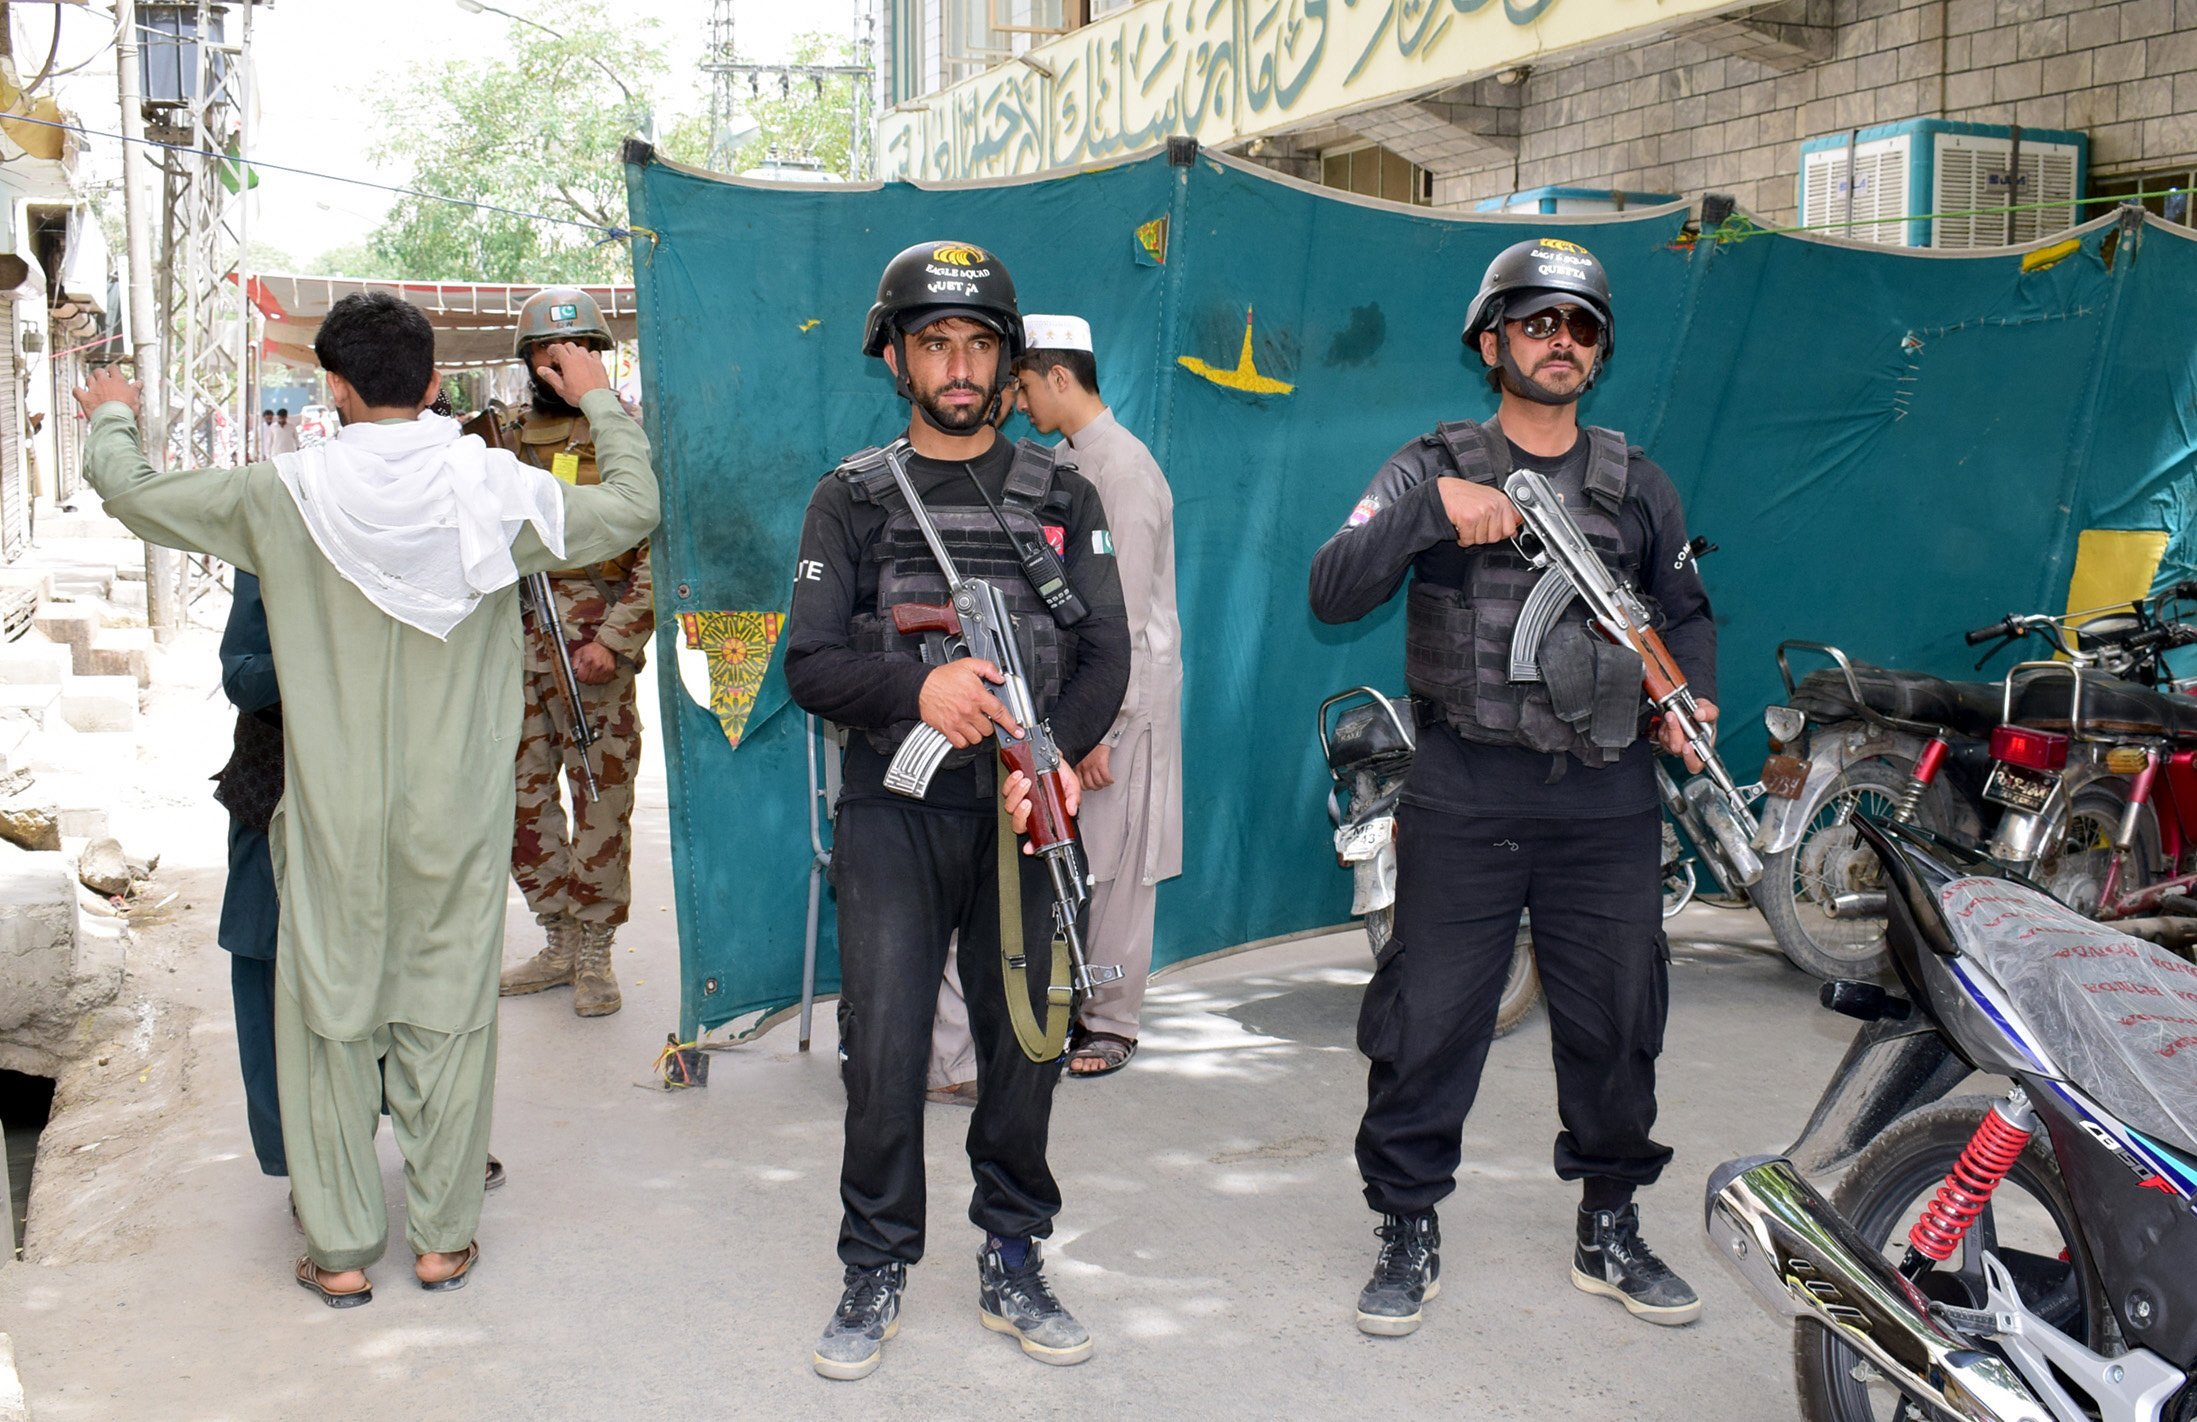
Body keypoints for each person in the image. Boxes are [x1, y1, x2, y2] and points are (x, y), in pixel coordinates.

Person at [75, 290, 658, 1308]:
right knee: (449, 1012)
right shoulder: (498, 493)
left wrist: (113, 409)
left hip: (333, 819)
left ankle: (341, 1251)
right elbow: (634, 509)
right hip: (457, 815)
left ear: (332, 387)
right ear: (433, 384)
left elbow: (133, 493)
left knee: (328, 1016)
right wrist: (603, 400)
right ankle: (440, 1240)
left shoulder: (279, 494)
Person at [1307, 237, 1717, 1338]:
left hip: (1606, 798)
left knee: (1620, 1015)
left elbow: (1684, 616)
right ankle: (1405, 1222)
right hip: (1466, 787)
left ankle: (1611, 1220)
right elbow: (1333, 584)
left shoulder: (1639, 484)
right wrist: (1433, 509)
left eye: (1581, 328)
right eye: (1538, 322)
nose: (1561, 343)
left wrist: (1694, 703)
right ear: (1490, 341)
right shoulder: (1428, 460)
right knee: (1431, 1015)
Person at [784, 240, 1129, 1380]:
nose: (960, 363)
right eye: (935, 341)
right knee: (881, 1048)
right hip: (898, 807)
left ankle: (1015, 1252)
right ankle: (874, 1261)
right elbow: (812, 667)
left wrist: (1057, 753)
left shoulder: (1062, 494)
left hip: (1022, 813)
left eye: (980, 342)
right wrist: (917, 686)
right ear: (896, 357)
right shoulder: (852, 498)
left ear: (1006, 358)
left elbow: (1105, 652)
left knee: (1025, 1044)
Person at [929, 314, 1180, 1087]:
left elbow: (1126, 616)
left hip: (1118, 705)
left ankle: (1112, 1021)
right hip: (1069, 699)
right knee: (1067, 860)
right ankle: (1065, 1006)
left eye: (1025, 384)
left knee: (1111, 867)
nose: (1020, 401)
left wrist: (1105, 727)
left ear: (1059, 376)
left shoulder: (1123, 469)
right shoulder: (1067, 462)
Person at [215, 567, 507, 1199]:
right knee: (275, 969)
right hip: (284, 786)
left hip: (408, 794)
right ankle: (310, 1166)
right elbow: (242, 673)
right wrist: (330, 649)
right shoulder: (282, 517)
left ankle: (438, 1146)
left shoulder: (436, 524)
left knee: (421, 966)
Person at [494, 288, 654, 1018]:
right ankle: (556, 938)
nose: (562, 365)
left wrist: (615, 640)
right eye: (549, 354)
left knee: (600, 799)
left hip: (594, 652)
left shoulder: (630, 441)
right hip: (511, 648)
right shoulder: (494, 441)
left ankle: (595, 951)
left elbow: (659, 555)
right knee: (520, 802)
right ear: (529, 361)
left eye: (579, 351)